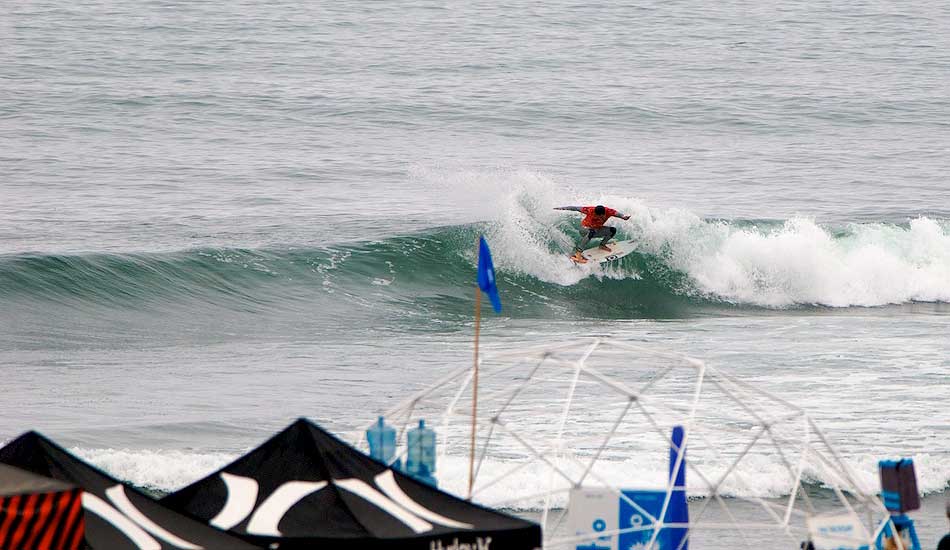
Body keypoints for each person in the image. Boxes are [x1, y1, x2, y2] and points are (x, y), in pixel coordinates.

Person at [554, 204, 630, 263]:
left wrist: (623, 216)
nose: (599, 217)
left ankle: (602, 245)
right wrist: (561, 208)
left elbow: (617, 214)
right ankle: (578, 253)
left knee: (612, 230)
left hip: (597, 229)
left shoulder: (609, 211)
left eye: (600, 215)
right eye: (597, 215)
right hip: (584, 229)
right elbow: (575, 208)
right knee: (591, 231)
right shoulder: (590, 210)